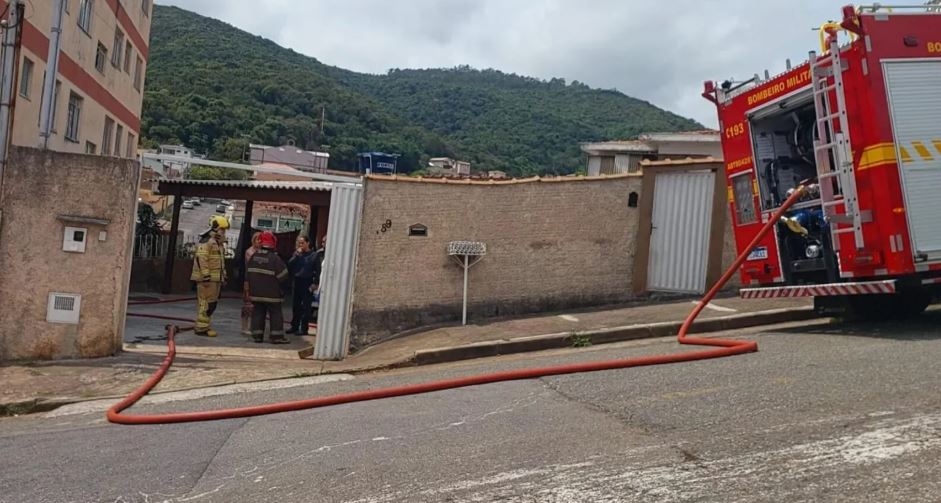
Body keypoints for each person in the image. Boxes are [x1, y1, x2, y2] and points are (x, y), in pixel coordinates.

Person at [245, 231, 290, 344]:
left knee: (258, 313)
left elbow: (247, 274)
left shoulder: (254, 257)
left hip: (256, 293)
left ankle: (257, 336)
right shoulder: (275, 259)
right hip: (272, 294)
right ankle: (277, 337)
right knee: (275, 314)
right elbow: (283, 276)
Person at [190, 215, 229, 337]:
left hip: (215, 279)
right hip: (207, 280)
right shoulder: (207, 242)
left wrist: (223, 276)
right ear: (215, 228)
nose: (224, 232)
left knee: (212, 303)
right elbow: (202, 259)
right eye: (222, 230)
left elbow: (220, 261)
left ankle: (204, 326)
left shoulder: (218, 243)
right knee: (206, 304)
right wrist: (206, 276)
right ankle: (201, 328)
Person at [286, 235, 320, 335]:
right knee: (296, 305)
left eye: (302, 243)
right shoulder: (297, 254)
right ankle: (294, 326)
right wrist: (296, 255)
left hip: (307, 281)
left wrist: (315, 283)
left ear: (308, 243)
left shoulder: (314, 255)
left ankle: (304, 328)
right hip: (297, 281)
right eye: (299, 243)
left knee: (306, 307)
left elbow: (318, 271)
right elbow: (289, 264)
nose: (300, 245)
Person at [241, 232, 263, 336]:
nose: (259, 242)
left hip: (259, 282)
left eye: (261, 240)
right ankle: (245, 326)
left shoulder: (262, 252)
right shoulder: (249, 252)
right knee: (247, 305)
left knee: (257, 305)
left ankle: (254, 326)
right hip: (249, 280)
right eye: (257, 240)